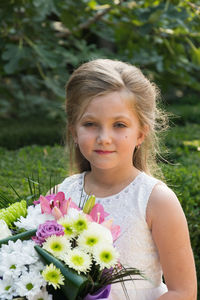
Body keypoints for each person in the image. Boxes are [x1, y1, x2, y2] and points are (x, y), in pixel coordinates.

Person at [57, 59, 197, 300]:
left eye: (119, 125)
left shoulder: (155, 200)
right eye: (90, 124)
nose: (104, 138)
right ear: (74, 132)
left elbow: (183, 292)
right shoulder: (63, 193)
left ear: (140, 133)